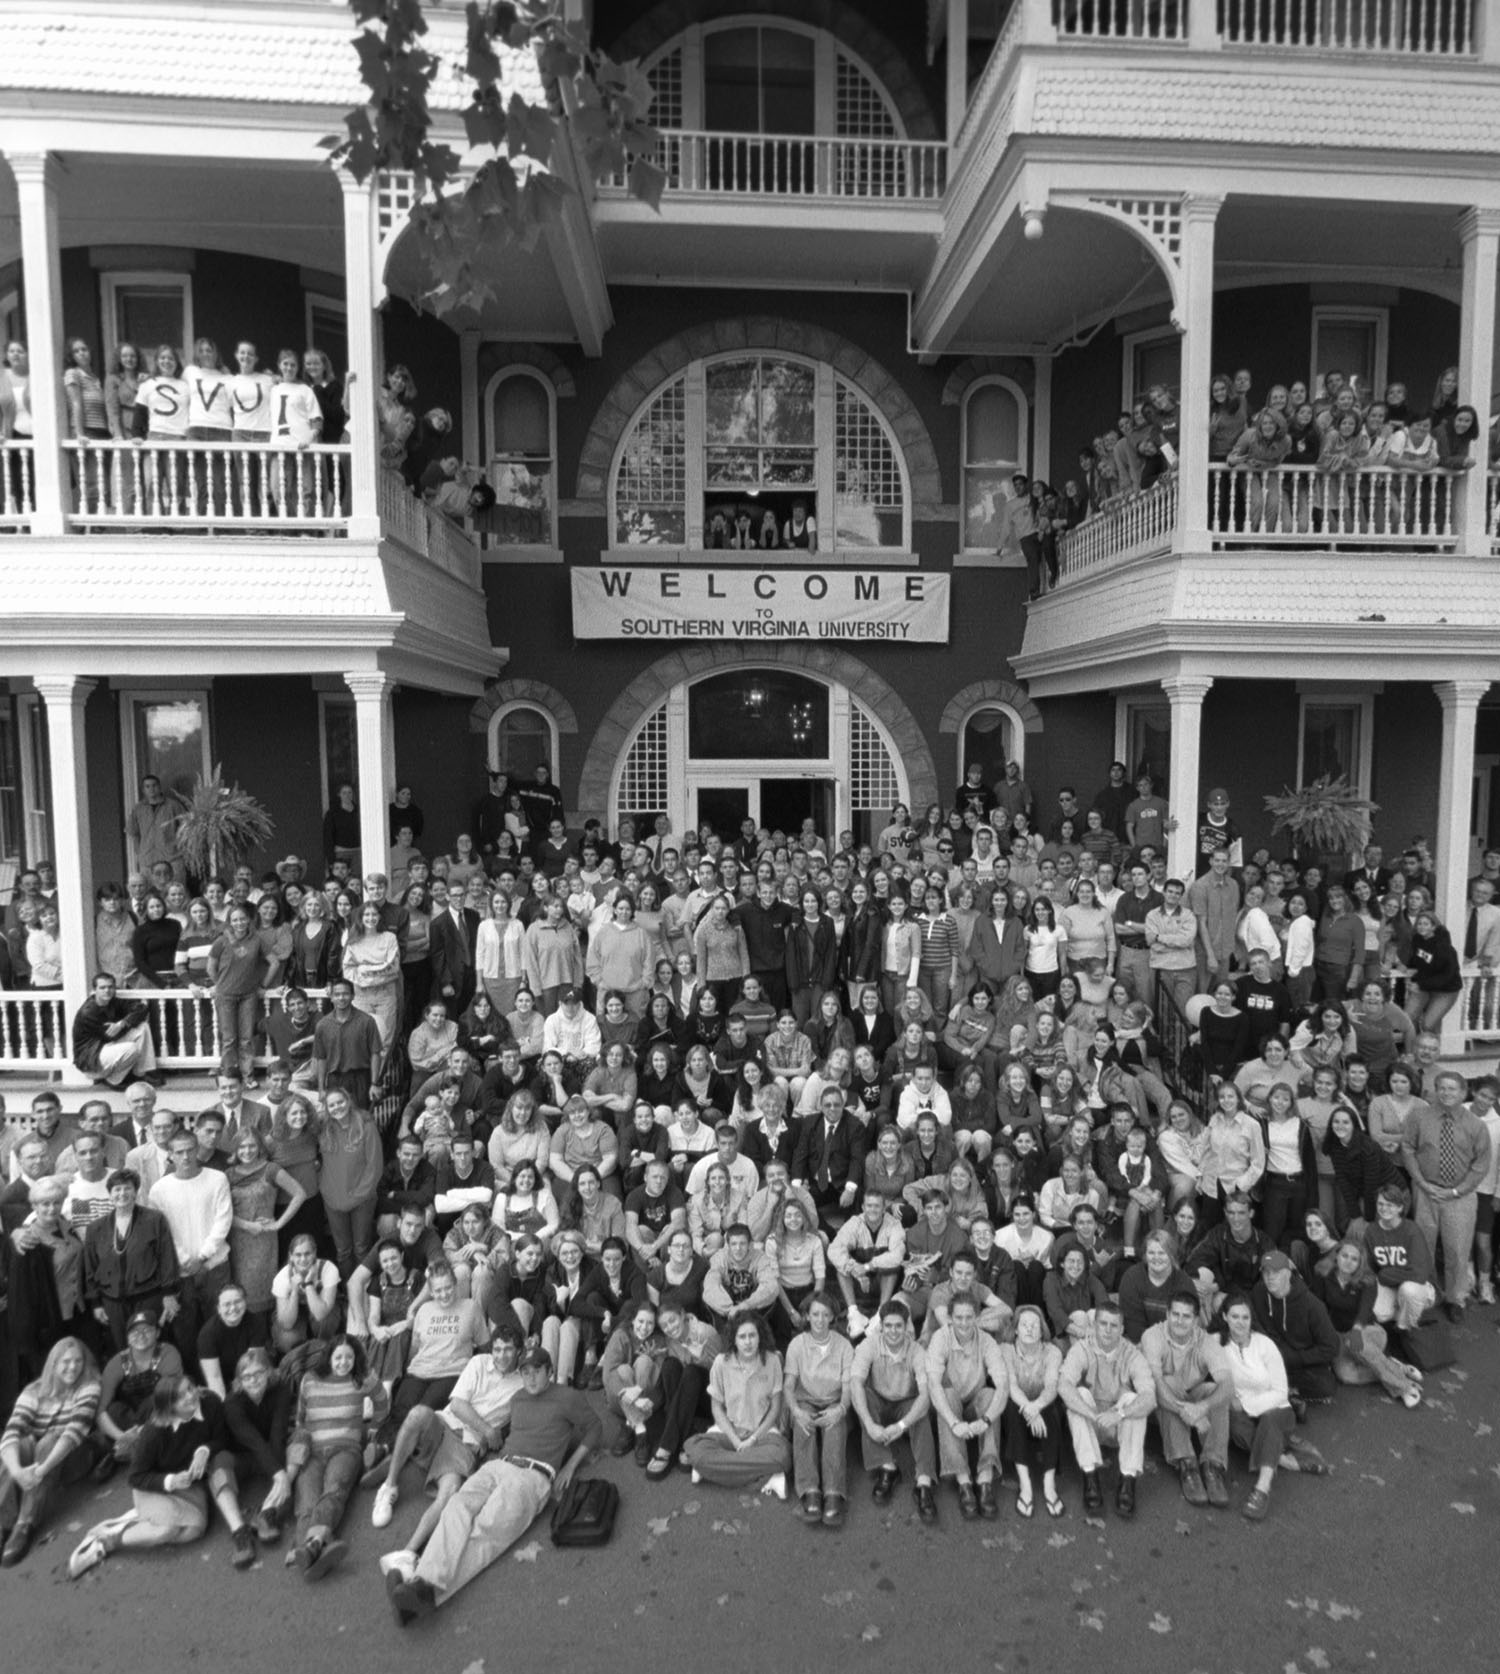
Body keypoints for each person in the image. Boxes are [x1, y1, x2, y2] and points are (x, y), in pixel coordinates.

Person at [386, 1345, 599, 1623]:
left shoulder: (568, 1397)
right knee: (456, 1509)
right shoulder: (519, 1398)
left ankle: (424, 1595)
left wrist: (570, 1466)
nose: (531, 1377)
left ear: (550, 1371)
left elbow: (595, 1427)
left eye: (537, 1371)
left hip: (532, 1476)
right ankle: (421, 1585)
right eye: (526, 1372)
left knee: (486, 1530)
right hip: (499, 1464)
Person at [67, 1371, 257, 1578]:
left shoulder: (210, 1403)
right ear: (169, 1406)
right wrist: (170, 1481)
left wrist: (205, 1450)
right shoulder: (154, 1432)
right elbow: (136, 1477)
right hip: (154, 1486)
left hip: (187, 1484)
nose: (191, 1397)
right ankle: (107, 1540)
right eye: (180, 1396)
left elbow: (221, 1439)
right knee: (166, 1530)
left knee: (194, 1531)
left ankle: (141, 1519)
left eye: (190, 1389)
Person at [283, 1333, 390, 1578]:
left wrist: (374, 1427)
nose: (344, 1362)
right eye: (338, 1357)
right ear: (329, 1358)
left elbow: (382, 1402)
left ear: (356, 1359)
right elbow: (300, 1417)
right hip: (313, 1448)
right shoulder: (310, 1379)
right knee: (307, 1499)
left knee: (335, 1488)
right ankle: (314, 1547)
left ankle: (307, 1547)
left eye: (349, 1357)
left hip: (346, 1448)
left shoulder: (361, 1378)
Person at [1221, 1293, 1325, 1522]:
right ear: (1224, 1317)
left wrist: (1246, 1405)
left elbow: (1280, 1391)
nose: (1240, 1322)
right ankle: (1285, 1459)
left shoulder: (1265, 1345)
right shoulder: (1220, 1348)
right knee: (1235, 1428)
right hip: (1243, 1414)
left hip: (1277, 1408)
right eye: (1235, 1316)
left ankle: (1262, 1488)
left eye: (1245, 1317)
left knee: (1269, 1421)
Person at [0, 1336, 101, 1566]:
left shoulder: (89, 1385)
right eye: (65, 1362)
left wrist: (40, 1471)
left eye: (78, 1361)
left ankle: (24, 1523)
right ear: (53, 1364)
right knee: (18, 1444)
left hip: (72, 1459)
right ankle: (2, 1522)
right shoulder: (34, 1390)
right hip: (39, 1461)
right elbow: (12, 1430)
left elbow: (73, 1433)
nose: (73, 1367)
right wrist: (17, 1471)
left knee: (51, 1439)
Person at [1401, 1069, 1492, 1321]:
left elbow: (1480, 1164)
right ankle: (1430, 1294)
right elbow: (1407, 1148)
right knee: (1424, 1247)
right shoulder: (1419, 1116)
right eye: (1442, 1087)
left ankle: (1455, 1298)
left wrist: (1456, 1190)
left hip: (1460, 1197)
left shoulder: (1476, 1125)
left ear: (1464, 1093)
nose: (1446, 1093)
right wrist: (1421, 1182)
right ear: (1435, 1090)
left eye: (1453, 1089)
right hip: (1425, 1191)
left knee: (1457, 1250)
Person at [1057, 1301, 1156, 1518]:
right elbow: (1063, 1386)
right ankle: (1090, 1476)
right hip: (1091, 1423)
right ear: (1093, 1326)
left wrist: (1119, 1414)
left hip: (1119, 1426)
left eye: (1114, 1325)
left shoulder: (1132, 1354)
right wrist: (1093, 1414)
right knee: (1078, 1395)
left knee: (1133, 1399)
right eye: (1103, 1324)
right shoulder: (1081, 1348)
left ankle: (1128, 1479)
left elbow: (1149, 1397)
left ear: (1122, 1329)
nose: (1108, 1330)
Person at [1142, 1292, 1233, 1508]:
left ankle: (1212, 1464)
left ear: (1196, 1319)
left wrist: (1202, 1407)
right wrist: (1189, 1414)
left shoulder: (1206, 1342)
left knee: (1213, 1389)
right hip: (1158, 1402)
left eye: (1186, 1316)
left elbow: (1228, 1384)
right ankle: (1186, 1463)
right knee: (1167, 1382)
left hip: (1193, 1394)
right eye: (1175, 1314)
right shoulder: (1152, 1336)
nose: (1180, 1321)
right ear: (1167, 1314)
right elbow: (1154, 1383)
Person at [849, 1301, 938, 1522]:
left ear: (906, 1326)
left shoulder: (917, 1351)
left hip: (904, 1402)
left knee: (921, 1411)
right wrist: (870, 1424)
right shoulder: (869, 1345)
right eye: (888, 1326)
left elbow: (926, 1395)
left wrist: (901, 1426)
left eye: (898, 1326)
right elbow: (856, 1383)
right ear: (881, 1327)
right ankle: (887, 1467)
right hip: (878, 1398)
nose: (893, 1331)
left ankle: (924, 1482)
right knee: (862, 1399)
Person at [925, 1291, 1008, 1520]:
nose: (963, 1323)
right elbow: (933, 1384)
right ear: (950, 1318)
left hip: (973, 1403)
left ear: (976, 1317)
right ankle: (964, 1482)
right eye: (958, 1317)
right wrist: (954, 1423)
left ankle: (985, 1479)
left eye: (968, 1317)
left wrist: (986, 1420)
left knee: (990, 1394)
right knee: (946, 1393)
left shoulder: (987, 1341)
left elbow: (1003, 1385)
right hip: (950, 1406)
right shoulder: (940, 1338)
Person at [782, 1292, 854, 1528]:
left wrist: (841, 1409)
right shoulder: (797, 1344)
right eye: (815, 1314)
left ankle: (833, 1493)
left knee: (834, 1428)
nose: (820, 1320)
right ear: (807, 1316)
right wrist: (795, 1410)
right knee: (804, 1427)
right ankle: (810, 1491)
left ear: (833, 1317)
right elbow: (789, 1385)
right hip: (806, 1400)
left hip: (834, 1401)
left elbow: (847, 1387)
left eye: (825, 1314)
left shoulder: (844, 1345)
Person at [71, 973, 160, 1088]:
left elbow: (142, 1008)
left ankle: (141, 1073)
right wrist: (121, 1026)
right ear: (95, 990)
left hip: (105, 1048)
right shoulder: (89, 1012)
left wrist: (123, 1023)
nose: (107, 991)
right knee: (131, 1048)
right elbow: (110, 1036)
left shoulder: (113, 1002)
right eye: (102, 988)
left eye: (110, 987)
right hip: (92, 1060)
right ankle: (114, 1081)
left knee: (142, 1027)